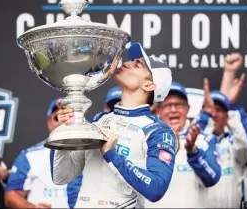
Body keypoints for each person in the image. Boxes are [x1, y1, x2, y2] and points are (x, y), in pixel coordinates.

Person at [51, 42, 176, 208]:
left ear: (149, 85)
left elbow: (156, 188)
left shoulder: (157, 131)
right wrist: (64, 130)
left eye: (137, 65)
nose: (126, 63)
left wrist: (113, 155)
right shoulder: (98, 120)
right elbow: (61, 176)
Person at [145, 82, 221, 208]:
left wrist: (193, 152)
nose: (173, 109)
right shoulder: (146, 141)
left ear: (188, 108)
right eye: (168, 105)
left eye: (179, 104)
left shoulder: (204, 140)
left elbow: (212, 178)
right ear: (158, 110)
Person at [5, 98, 82, 208]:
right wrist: (32, 208)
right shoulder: (29, 156)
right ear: (48, 122)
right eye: (57, 117)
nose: (64, 122)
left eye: (71, 117)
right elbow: (11, 195)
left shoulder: (93, 154)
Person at [194, 77, 247, 208]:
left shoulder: (234, 142)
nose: (214, 114)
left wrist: (230, 105)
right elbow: (196, 145)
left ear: (227, 115)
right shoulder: (196, 142)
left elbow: (245, 151)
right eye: (210, 109)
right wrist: (206, 120)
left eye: (219, 110)